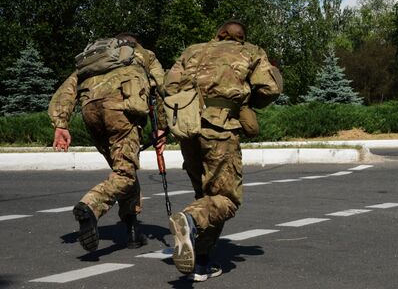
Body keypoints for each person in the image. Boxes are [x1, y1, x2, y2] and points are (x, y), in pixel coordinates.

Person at [163, 20, 282, 281]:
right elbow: (271, 87)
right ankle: (190, 220)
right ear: (241, 38)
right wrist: (248, 102)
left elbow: (168, 88)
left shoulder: (192, 50)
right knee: (226, 199)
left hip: (188, 128)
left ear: (218, 34)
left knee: (205, 195)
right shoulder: (251, 51)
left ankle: (201, 261)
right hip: (220, 128)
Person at [48, 33, 167, 252]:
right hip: (121, 111)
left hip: (91, 111)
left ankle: (132, 230)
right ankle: (90, 206)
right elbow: (161, 86)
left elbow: (68, 88)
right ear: (134, 43)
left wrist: (61, 124)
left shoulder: (96, 58)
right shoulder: (144, 54)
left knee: (122, 170)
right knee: (125, 174)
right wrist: (162, 125)